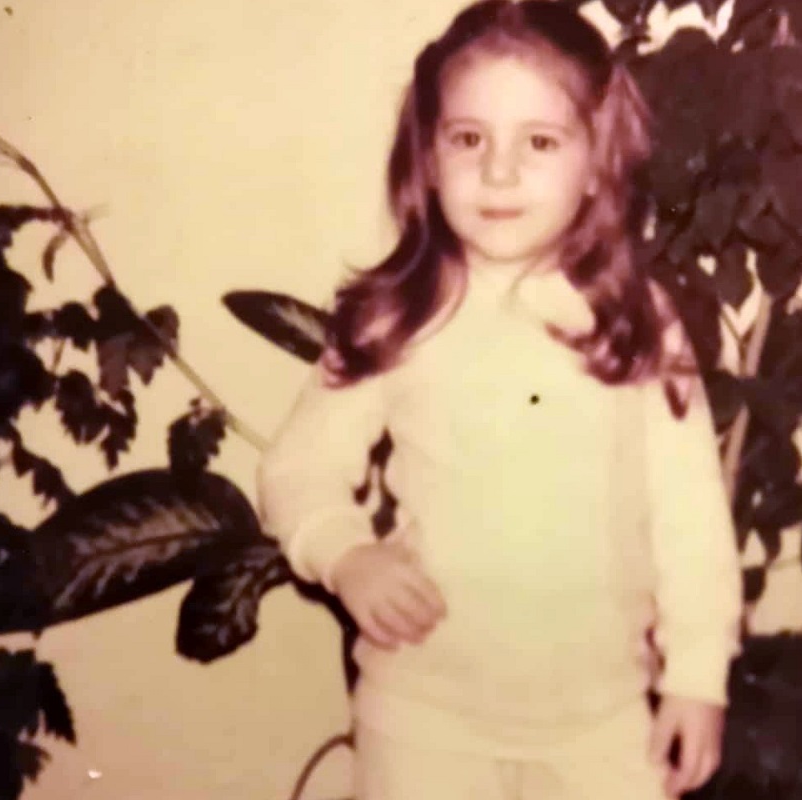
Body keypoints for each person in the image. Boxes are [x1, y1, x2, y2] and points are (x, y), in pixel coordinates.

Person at [256, 1, 742, 797]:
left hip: (602, 720)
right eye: (468, 139)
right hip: (423, 717)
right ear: (429, 155)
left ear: (598, 162)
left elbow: (690, 514)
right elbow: (298, 470)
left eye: (539, 142)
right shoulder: (398, 315)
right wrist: (345, 553)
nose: (499, 172)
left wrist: (698, 675)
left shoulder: (638, 322)